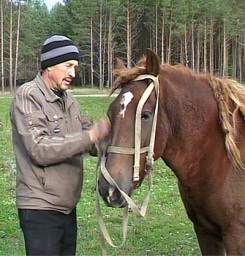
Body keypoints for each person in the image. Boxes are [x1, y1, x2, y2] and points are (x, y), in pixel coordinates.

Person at [10, 35, 110, 256]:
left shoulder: (69, 100)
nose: (73, 73)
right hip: (40, 208)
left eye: (75, 67)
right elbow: (39, 149)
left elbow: (93, 140)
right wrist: (90, 136)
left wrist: (115, 136)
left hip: (67, 208)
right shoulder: (28, 96)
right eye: (68, 66)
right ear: (49, 66)